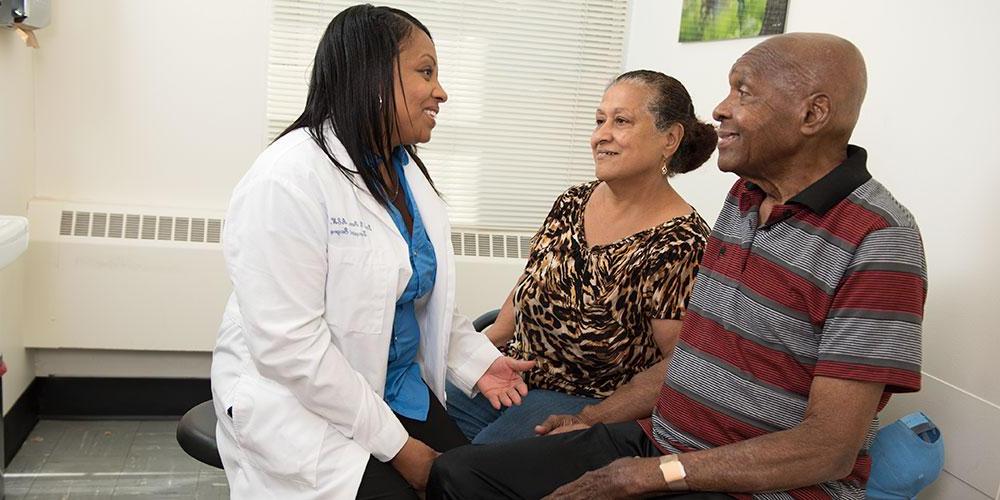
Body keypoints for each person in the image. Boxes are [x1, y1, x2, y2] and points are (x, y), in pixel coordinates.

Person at [428, 32, 927, 500]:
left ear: (812, 114)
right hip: (661, 442)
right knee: (456, 475)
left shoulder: (879, 240)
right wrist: (592, 418)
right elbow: (690, 356)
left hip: (752, 484)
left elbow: (830, 449)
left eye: (744, 93)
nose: (720, 109)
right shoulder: (745, 199)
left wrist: (658, 473)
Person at [210, 5, 532, 499]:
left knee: (469, 487)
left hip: (393, 387)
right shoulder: (287, 179)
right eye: (425, 72)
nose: (441, 91)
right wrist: (399, 448)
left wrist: (478, 361)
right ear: (372, 74)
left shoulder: (405, 174)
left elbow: (423, 297)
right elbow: (290, 347)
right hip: (302, 406)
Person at [445, 70, 717, 444]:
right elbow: (531, 282)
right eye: (599, 120)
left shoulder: (682, 243)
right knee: (416, 426)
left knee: (467, 472)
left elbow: (678, 365)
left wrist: (593, 418)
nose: (601, 135)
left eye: (621, 121)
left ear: (669, 139)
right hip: (515, 368)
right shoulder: (572, 201)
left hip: (581, 398)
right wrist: (482, 348)